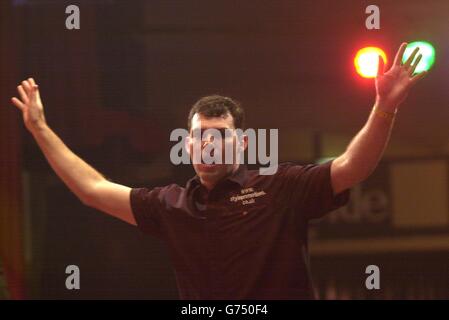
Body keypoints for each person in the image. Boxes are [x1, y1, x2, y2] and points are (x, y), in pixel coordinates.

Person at [10, 43, 427, 299]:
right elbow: (92, 189)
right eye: (201, 136)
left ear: (242, 143)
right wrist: (40, 129)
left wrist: (385, 108)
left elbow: (353, 167)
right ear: (188, 145)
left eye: (220, 136)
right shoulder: (171, 205)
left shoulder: (279, 186)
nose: (209, 144)